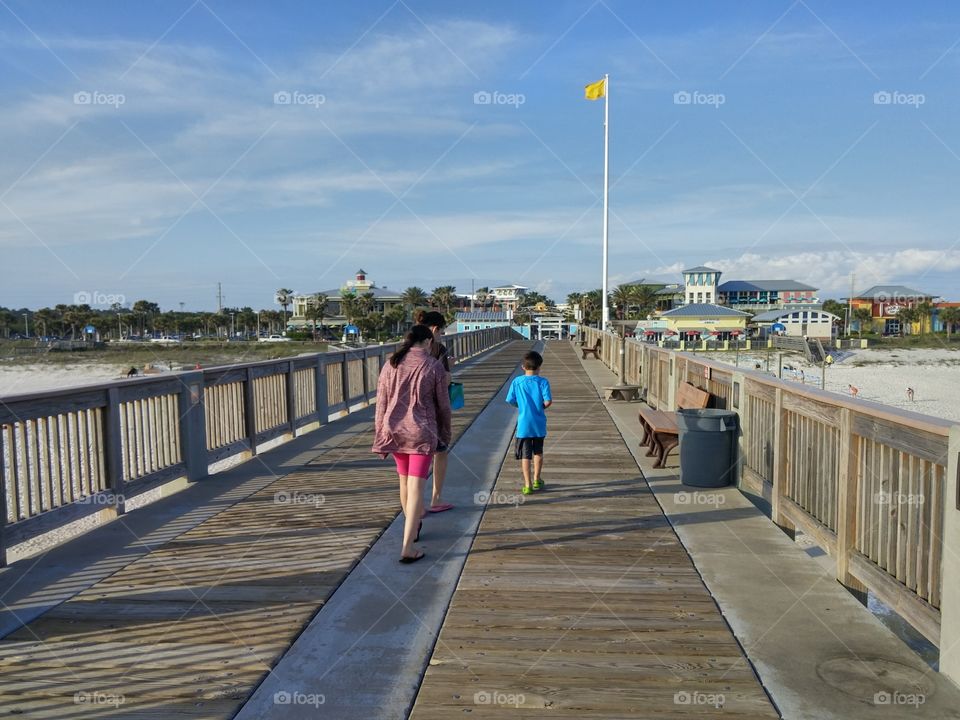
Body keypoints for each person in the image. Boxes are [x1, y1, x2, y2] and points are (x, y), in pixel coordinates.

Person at [372, 324, 451, 563]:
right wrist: (445, 433)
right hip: (421, 433)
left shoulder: (390, 364)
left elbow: (381, 402)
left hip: (393, 430)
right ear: (427, 342)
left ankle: (412, 525)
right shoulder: (433, 366)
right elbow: (443, 406)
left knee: (404, 482)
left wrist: (380, 434)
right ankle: (407, 545)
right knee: (417, 487)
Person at [414, 309, 455, 513]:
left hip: (409, 415)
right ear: (435, 329)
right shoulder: (438, 348)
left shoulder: (405, 349)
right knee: (440, 451)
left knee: (413, 461)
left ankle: (415, 506)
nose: (441, 335)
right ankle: (436, 498)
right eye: (442, 331)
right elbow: (446, 379)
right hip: (435, 410)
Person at [506, 350, 552, 495]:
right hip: (538, 423)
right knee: (538, 452)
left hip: (523, 424)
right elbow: (548, 401)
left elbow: (510, 400)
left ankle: (527, 484)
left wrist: (521, 406)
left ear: (523, 367)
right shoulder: (543, 381)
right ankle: (537, 479)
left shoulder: (517, 382)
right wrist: (540, 407)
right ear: (539, 367)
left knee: (525, 455)